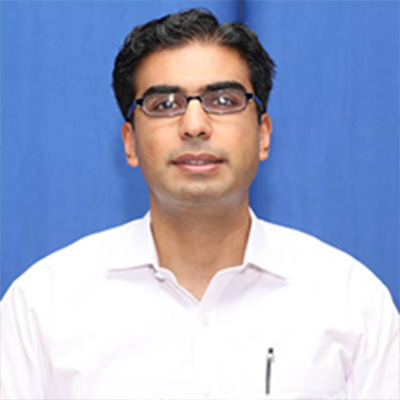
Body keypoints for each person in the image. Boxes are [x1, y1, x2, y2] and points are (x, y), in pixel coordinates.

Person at [1, 8, 399, 400]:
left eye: (223, 101)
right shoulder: (44, 305)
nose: (194, 126)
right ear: (130, 143)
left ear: (263, 135)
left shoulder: (350, 301)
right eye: (165, 104)